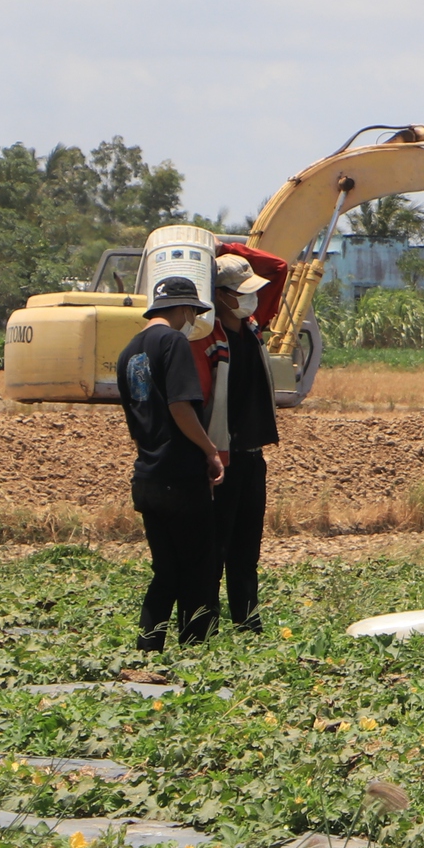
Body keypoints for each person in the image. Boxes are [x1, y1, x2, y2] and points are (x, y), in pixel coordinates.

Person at [118, 275, 226, 650]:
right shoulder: (173, 342)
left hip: (147, 476)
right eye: (193, 312)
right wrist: (210, 451)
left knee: (166, 572)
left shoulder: (129, 351)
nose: (192, 319)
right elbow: (180, 406)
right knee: (198, 568)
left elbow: (136, 421)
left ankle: (148, 649)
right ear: (182, 308)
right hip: (180, 477)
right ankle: (196, 651)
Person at [202, 243, 287, 633]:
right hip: (224, 457)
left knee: (247, 549)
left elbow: (280, 268)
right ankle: (205, 624)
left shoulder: (254, 327)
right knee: (214, 548)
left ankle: (247, 622)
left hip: (253, 457)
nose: (251, 297)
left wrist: (224, 246)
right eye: (241, 291)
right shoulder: (208, 338)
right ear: (219, 295)